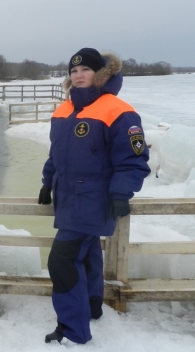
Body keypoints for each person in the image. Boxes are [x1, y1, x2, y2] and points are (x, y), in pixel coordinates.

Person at [39, 48, 150, 345]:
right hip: (69, 198)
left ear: (100, 74)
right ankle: (91, 308)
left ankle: (73, 330)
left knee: (61, 262)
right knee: (86, 256)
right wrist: (47, 181)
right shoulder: (64, 109)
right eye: (73, 72)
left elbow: (133, 159)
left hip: (94, 200)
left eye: (85, 70)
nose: (78, 76)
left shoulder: (118, 110)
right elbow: (56, 154)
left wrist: (120, 193)